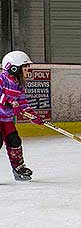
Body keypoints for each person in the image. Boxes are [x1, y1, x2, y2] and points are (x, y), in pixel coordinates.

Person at [0, 51, 44, 181]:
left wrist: (33, 115)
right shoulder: (1, 79)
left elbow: (23, 103)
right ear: (13, 68)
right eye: (25, 67)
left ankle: (18, 168)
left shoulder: (18, 85)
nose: (28, 70)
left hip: (7, 120)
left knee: (15, 141)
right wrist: (8, 101)